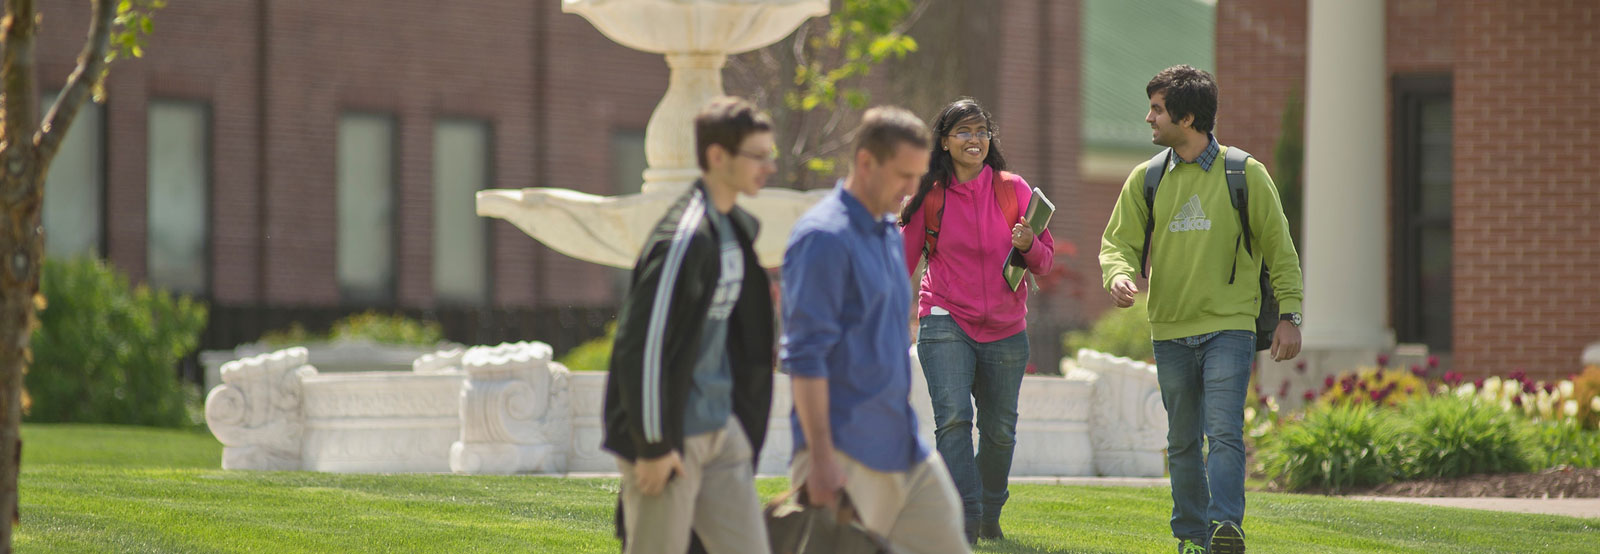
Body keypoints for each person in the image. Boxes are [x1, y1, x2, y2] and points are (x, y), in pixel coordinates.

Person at [1098, 65, 1304, 554]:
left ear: (1187, 117)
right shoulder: (1146, 178)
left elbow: (1280, 249)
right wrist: (1119, 275)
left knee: (1224, 432)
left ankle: (1225, 528)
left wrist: (1290, 315)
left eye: (1157, 109)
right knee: (1183, 440)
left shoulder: (1244, 172)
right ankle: (1191, 535)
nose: (1149, 118)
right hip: (1168, 329)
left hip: (1228, 327)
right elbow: (1117, 243)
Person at [781, 106, 971, 554]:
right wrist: (821, 460)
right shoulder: (822, 238)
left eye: (919, 176)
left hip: (903, 444)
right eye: (903, 176)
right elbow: (805, 360)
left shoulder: (888, 229)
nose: (912, 190)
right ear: (866, 162)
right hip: (846, 453)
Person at [602, 96, 778, 554]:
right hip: (672, 437)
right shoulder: (684, 238)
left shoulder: (733, 231)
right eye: (757, 156)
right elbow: (640, 344)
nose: (769, 166)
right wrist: (654, 444)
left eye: (769, 155)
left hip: (722, 429)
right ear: (717, 157)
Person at [897, 97, 1055, 543]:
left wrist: (1028, 243)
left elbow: (1044, 263)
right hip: (945, 316)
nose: (974, 139)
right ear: (944, 142)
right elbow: (901, 263)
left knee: (1000, 430)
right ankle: (963, 516)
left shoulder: (1013, 189)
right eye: (964, 131)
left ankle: (989, 510)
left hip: (1006, 327)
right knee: (952, 419)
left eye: (981, 131)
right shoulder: (930, 196)